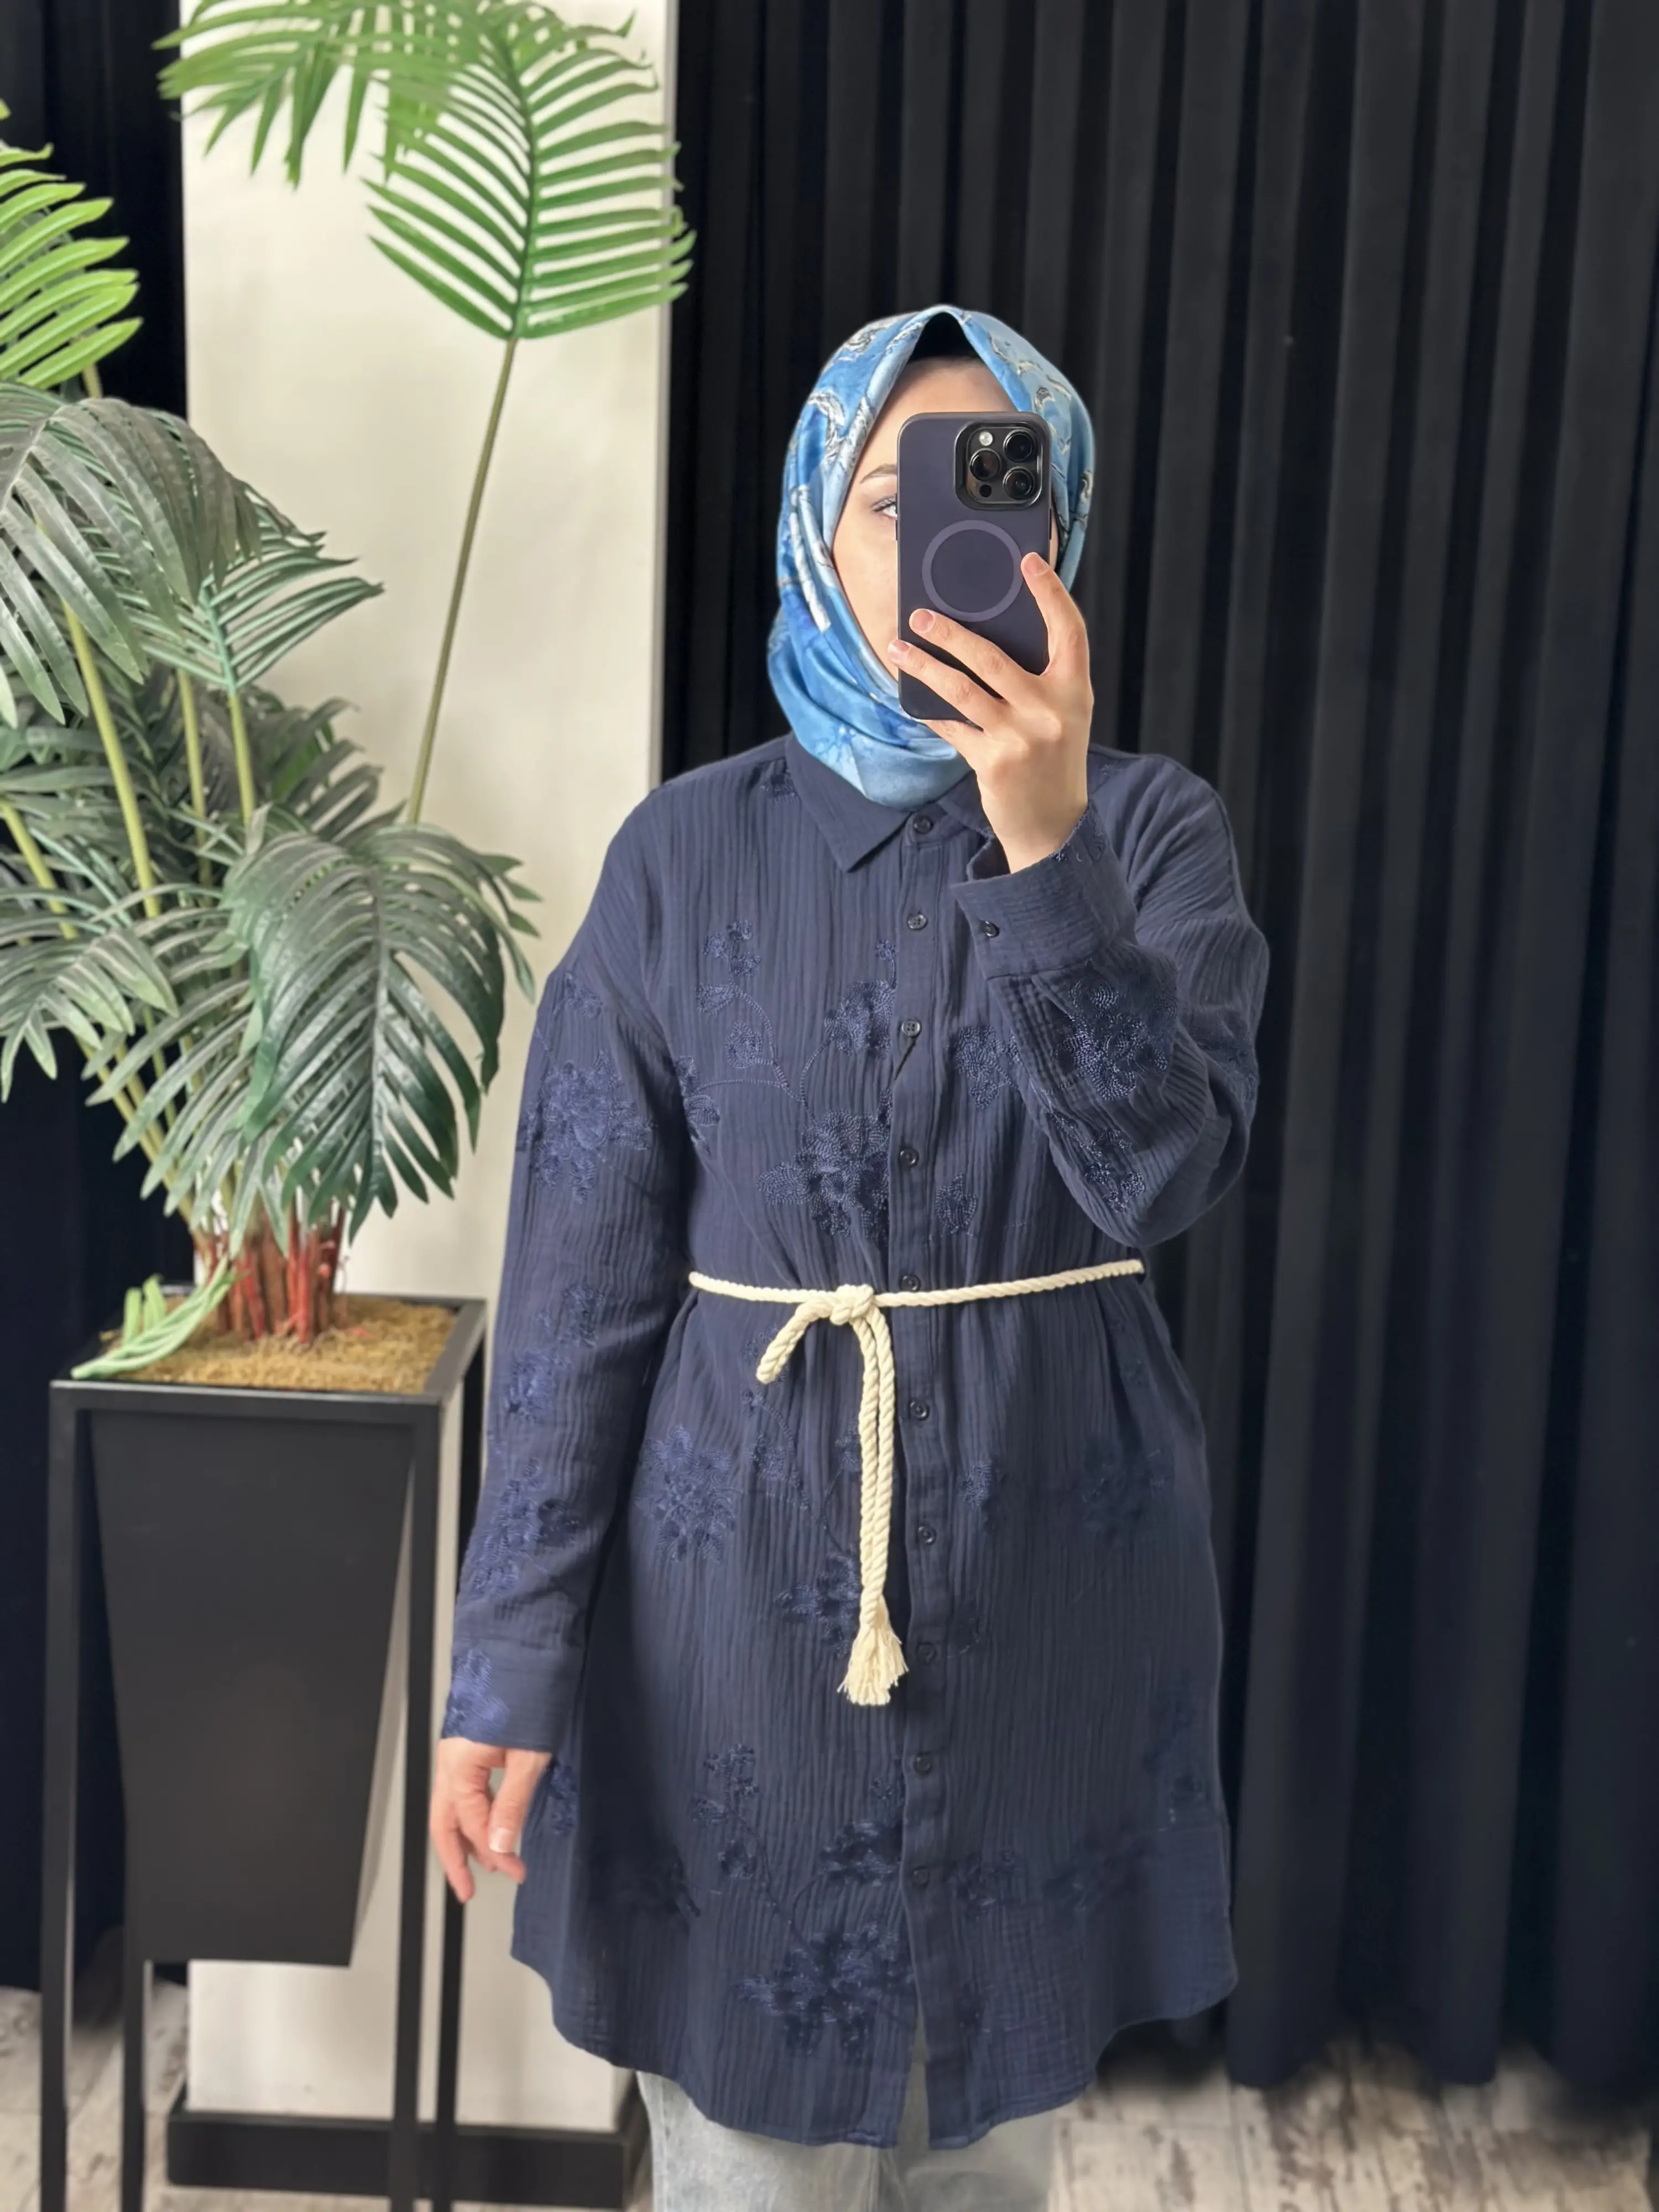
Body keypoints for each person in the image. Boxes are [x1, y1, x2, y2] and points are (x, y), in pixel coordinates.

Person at [429, 302, 1270, 2209]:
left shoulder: (1154, 834)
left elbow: (1158, 1177)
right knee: (743, 2161)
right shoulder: (680, 856)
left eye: (999, 490)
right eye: (898, 497)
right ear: (820, 521)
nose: (944, 542)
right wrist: (507, 1668)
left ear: (1058, 528)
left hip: (1050, 1602)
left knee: (992, 2164)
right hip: (728, 1638)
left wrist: (1044, 851)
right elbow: (574, 1302)